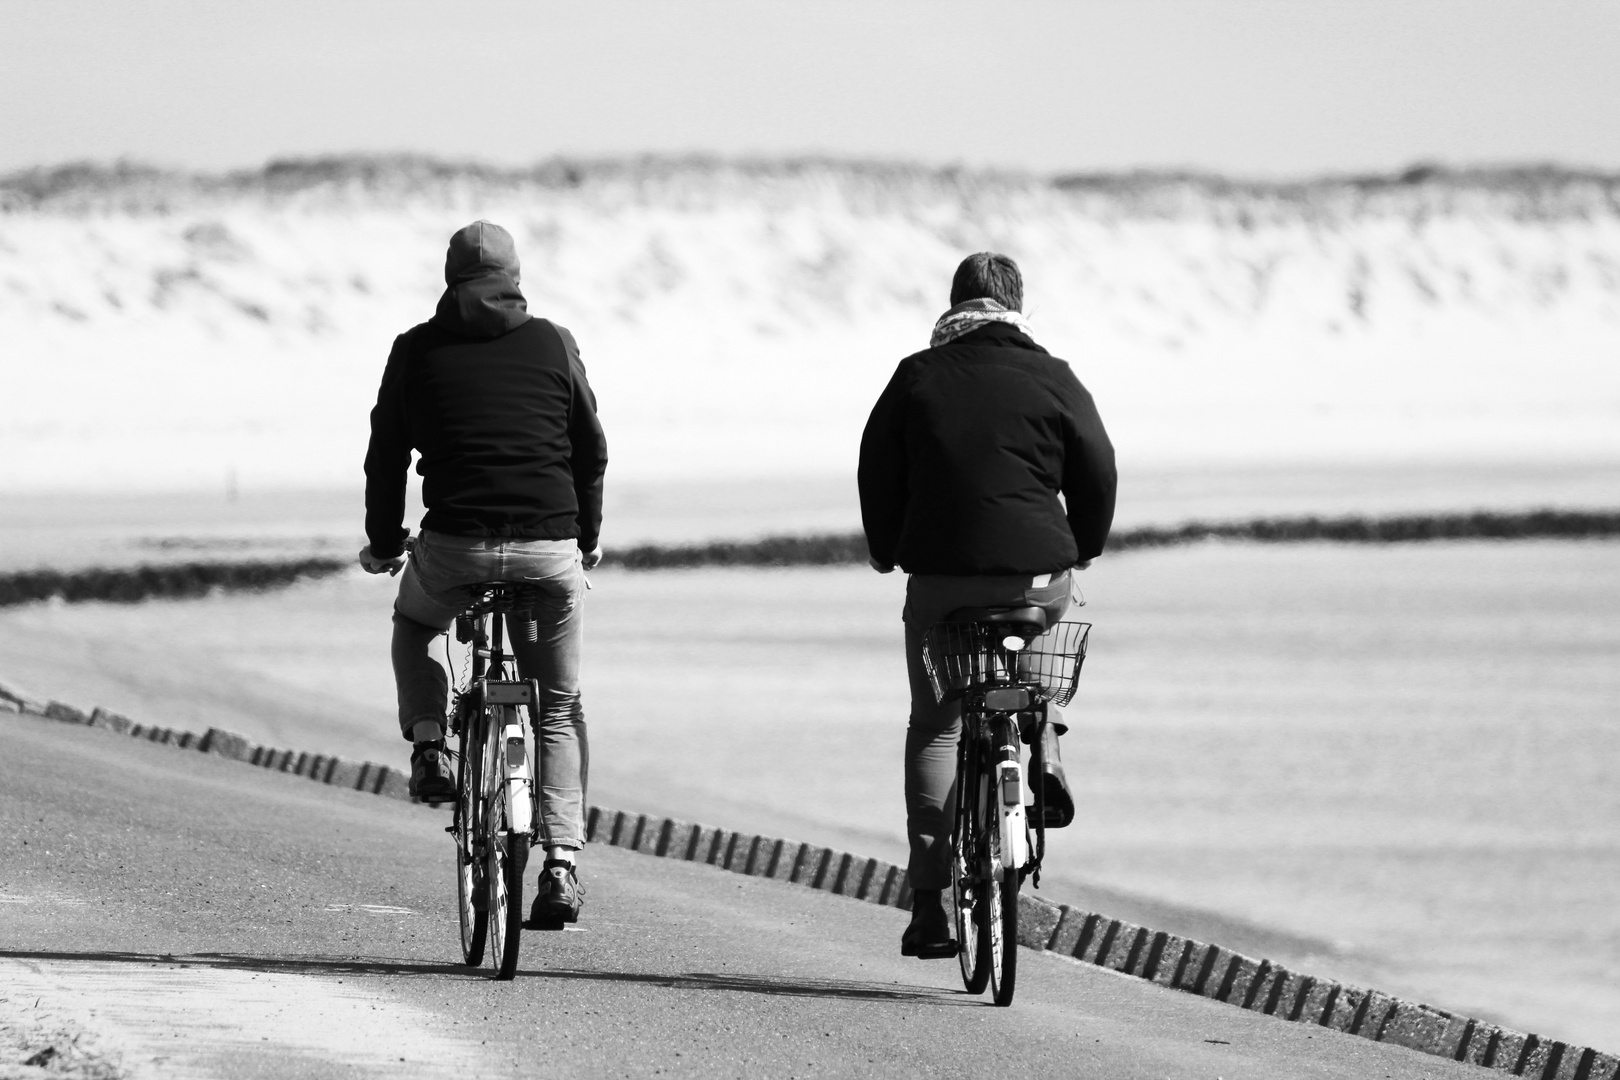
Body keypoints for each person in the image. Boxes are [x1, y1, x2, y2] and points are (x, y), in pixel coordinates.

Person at [857, 252, 1116, 958]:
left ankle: (930, 907)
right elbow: (1098, 464)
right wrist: (1084, 545)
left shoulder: (916, 376)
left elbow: (875, 468)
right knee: (1027, 678)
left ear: (953, 307)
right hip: (1037, 579)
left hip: (941, 584)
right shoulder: (1054, 375)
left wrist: (885, 548)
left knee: (938, 726)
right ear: (1019, 305)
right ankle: (1043, 742)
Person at [358, 220, 608, 927]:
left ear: (449, 278)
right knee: (557, 706)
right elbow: (590, 448)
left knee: (414, 626)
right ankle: (560, 864)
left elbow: (387, 457)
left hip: (456, 547)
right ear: (516, 276)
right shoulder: (554, 341)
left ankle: (431, 743)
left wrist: (383, 543)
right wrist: (584, 537)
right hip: (547, 549)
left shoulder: (416, 348)